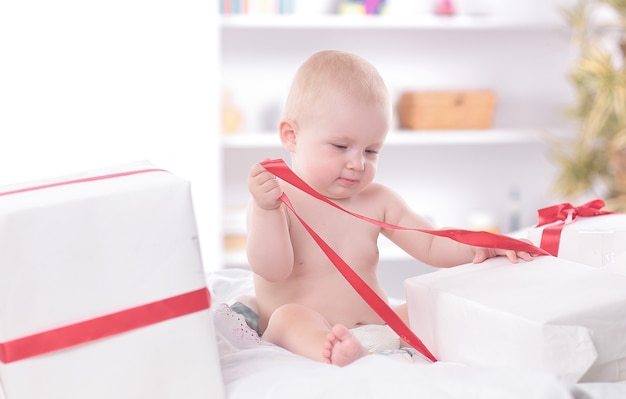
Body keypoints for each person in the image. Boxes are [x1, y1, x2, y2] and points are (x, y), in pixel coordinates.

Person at [246, 50, 534, 367]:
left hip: (379, 329)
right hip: (307, 334)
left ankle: (367, 352)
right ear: (291, 136)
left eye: (371, 150)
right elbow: (272, 269)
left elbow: (431, 242)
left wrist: (478, 246)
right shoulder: (277, 199)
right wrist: (265, 210)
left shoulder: (378, 199)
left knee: (425, 305)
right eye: (341, 146)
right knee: (289, 317)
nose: (357, 163)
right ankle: (331, 355)